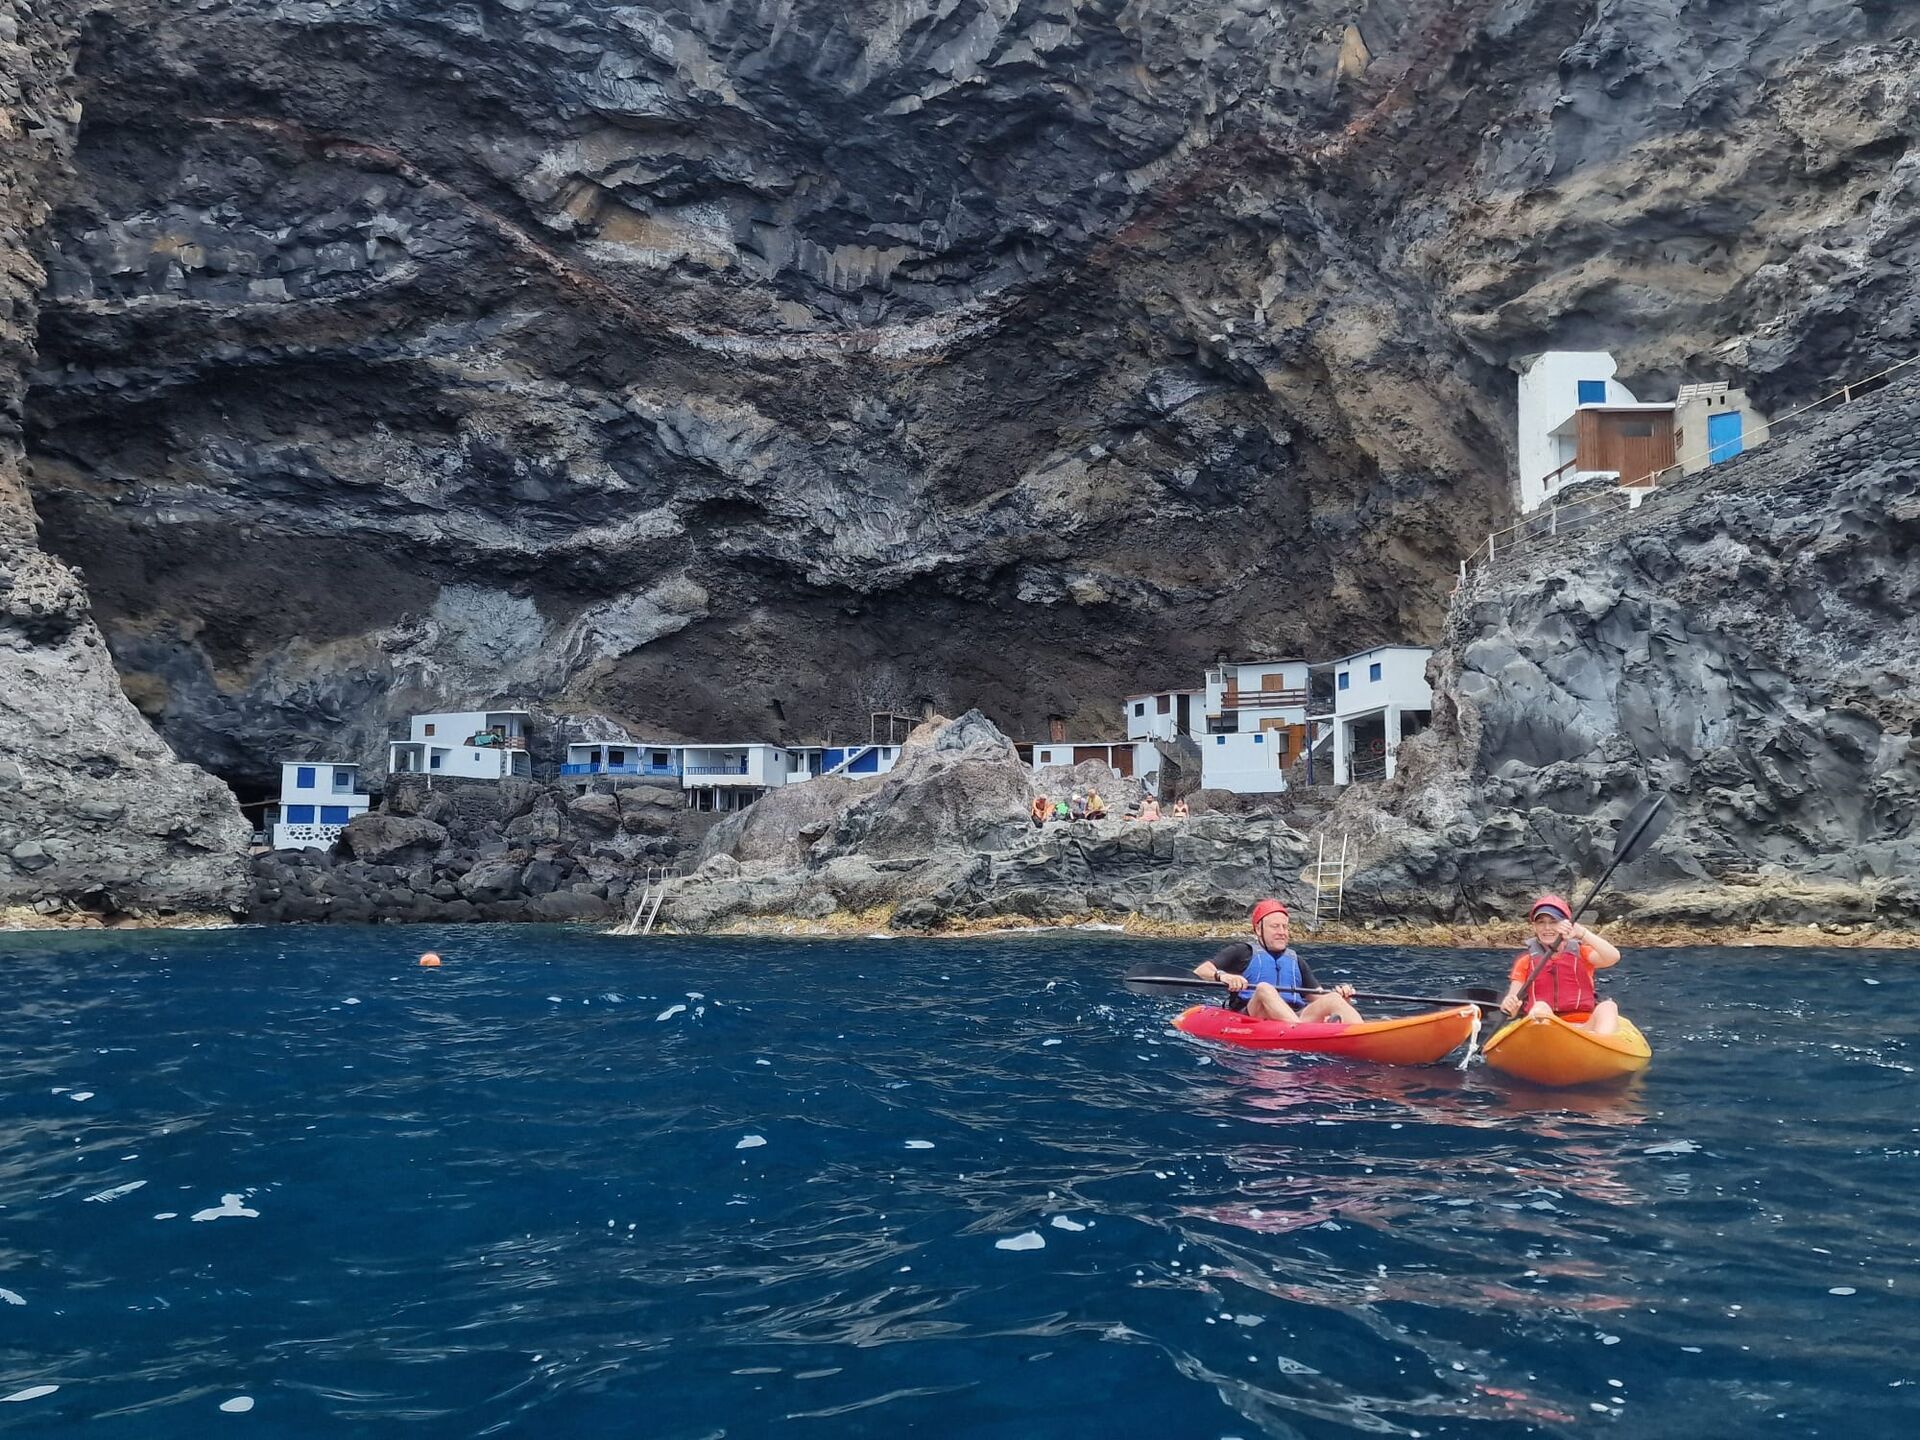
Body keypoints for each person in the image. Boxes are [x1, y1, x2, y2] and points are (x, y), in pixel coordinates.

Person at [1193, 899, 1362, 1024]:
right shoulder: (1242, 951)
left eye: (1285, 927)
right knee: (1264, 988)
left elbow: (1318, 997)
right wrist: (1224, 976)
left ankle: (1360, 1034)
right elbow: (1201, 971)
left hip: (1295, 1016)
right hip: (1253, 1015)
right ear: (1259, 929)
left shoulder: (1296, 960)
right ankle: (1300, 1031)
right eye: (1275, 926)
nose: (1282, 932)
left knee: (1332, 997)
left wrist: (1341, 997)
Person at [1499, 894, 1622, 1036]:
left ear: (1566, 924)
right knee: (1540, 1007)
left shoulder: (1582, 953)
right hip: (1545, 1029)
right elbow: (1512, 1004)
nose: (1547, 928)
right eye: (1541, 922)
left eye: (1554, 921)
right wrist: (1509, 1006)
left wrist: (1582, 933)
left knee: (1608, 1006)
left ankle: (1602, 1044)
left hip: (1584, 1027)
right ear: (1534, 926)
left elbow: (1613, 957)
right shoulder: (1525, 962)